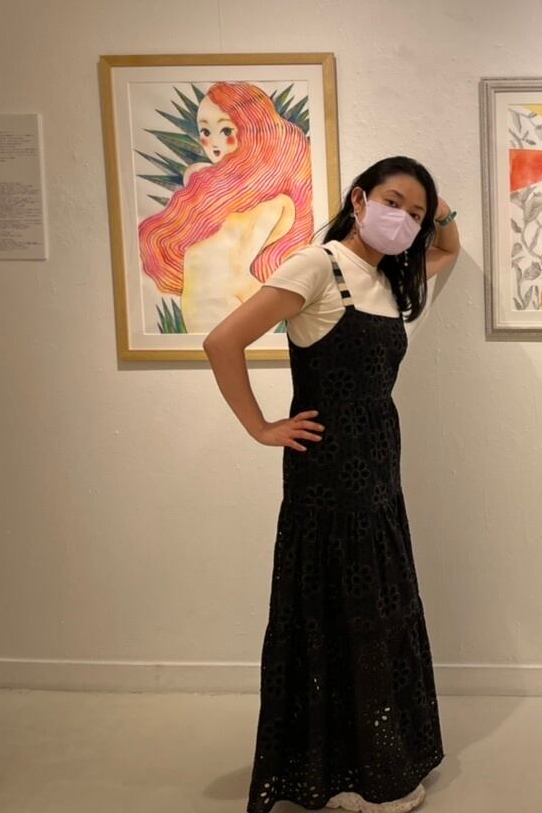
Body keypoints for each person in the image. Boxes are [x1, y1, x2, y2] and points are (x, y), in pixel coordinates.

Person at [203, 156, 460, 813]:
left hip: (378, 469)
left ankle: (368, 764)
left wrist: (438, 209)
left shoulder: (388, 278)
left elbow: (448, 250)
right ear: (359, 199)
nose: (404, 219)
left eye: (414, 213)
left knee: (376, 611)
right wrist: (261, 426)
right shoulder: (317, 266)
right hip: (328, 475)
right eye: (393, 202)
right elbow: (222, 342)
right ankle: (337, 775)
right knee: (337, 614)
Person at [139, 82, 314, 332]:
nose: (214, 142)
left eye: (226, 130)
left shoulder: (275, 201)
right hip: (205, 306)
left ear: (256, 129)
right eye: (205, 131)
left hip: (226, 305)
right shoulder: (208, 185)